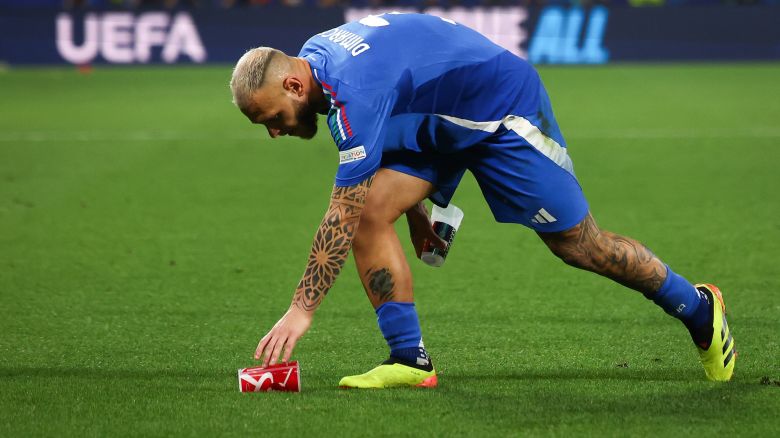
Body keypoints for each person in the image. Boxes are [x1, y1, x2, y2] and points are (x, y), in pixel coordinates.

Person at [229, 12, 735, 388]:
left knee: (581, 246)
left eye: (272, 118)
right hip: (437, 117)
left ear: (295, 84)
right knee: (370, 215)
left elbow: (338, 211)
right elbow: (400, 99)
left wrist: (301, 310)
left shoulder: (350, 91)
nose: (275, 132)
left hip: (500, 114)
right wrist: (415, 209)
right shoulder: (318, 60)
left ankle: (698, 308)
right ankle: (409, 360)